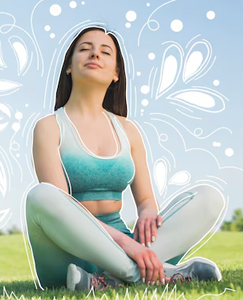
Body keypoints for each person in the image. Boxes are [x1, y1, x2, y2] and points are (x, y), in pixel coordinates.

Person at [24, 26, 226, 291]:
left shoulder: (128, 130)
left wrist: (148, 214)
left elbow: (145, 201)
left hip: (127, 248)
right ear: (69, 67)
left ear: (116, 73)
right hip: (68, 257)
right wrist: (127, 244)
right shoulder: (49, 127)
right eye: (85, 49)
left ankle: (107, 281)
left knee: (210, 198)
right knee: (41, 196)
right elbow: (62, 209)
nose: (95, 54)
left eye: (105, 52)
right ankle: (155, 272)